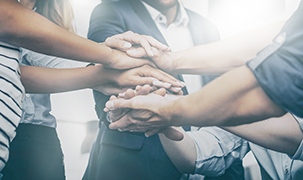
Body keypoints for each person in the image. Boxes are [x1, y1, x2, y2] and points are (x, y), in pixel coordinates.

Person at [0, 0, 182, 179]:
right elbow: (8, 22)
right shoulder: (1, 12)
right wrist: (110, 58)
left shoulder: (49, 11)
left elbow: (23, 70)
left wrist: (103, 67)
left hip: (27, 137)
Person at [83, 0, 244, 179]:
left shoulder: (208, 27)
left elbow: (225, 90)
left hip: (214, 159)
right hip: (137, 164)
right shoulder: (111, 10)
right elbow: (107, 72)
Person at [104, 0, 303, 134]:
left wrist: (172, 108)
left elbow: (270, 82)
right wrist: (172, 61)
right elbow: (280, 40)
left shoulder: (205, 25)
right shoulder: (113, 11)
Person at [116, 85, 303, 179]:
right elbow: (196, 156)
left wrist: (177, 107)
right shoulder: (263, 93)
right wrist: (166, 123)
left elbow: (294, 137)